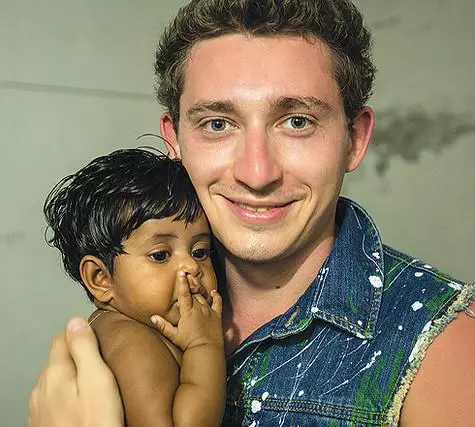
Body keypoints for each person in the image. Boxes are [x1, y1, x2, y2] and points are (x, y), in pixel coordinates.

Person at [29, 0, 475, 426]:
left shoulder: (442, 345)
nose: (256, 173)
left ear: (354, 139)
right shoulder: (144, 290)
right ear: (175, 140)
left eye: (297, 121)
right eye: (218, 124)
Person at [40, 148, 226, 427]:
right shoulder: (134, 344)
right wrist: (205, 345)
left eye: (200, 251)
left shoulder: (117, 328)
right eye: (160, 255)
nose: (191, 266)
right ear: (101, 278)